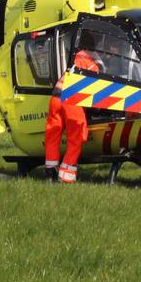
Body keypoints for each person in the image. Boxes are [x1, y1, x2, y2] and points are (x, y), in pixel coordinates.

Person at [45, 31, 102, 184]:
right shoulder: (90, 63)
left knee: (53, 133)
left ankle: (50, 168)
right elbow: (96, 88)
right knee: (77, 137)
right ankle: (66, 175)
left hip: (56, 98)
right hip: (71, 100)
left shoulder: (74, 57)